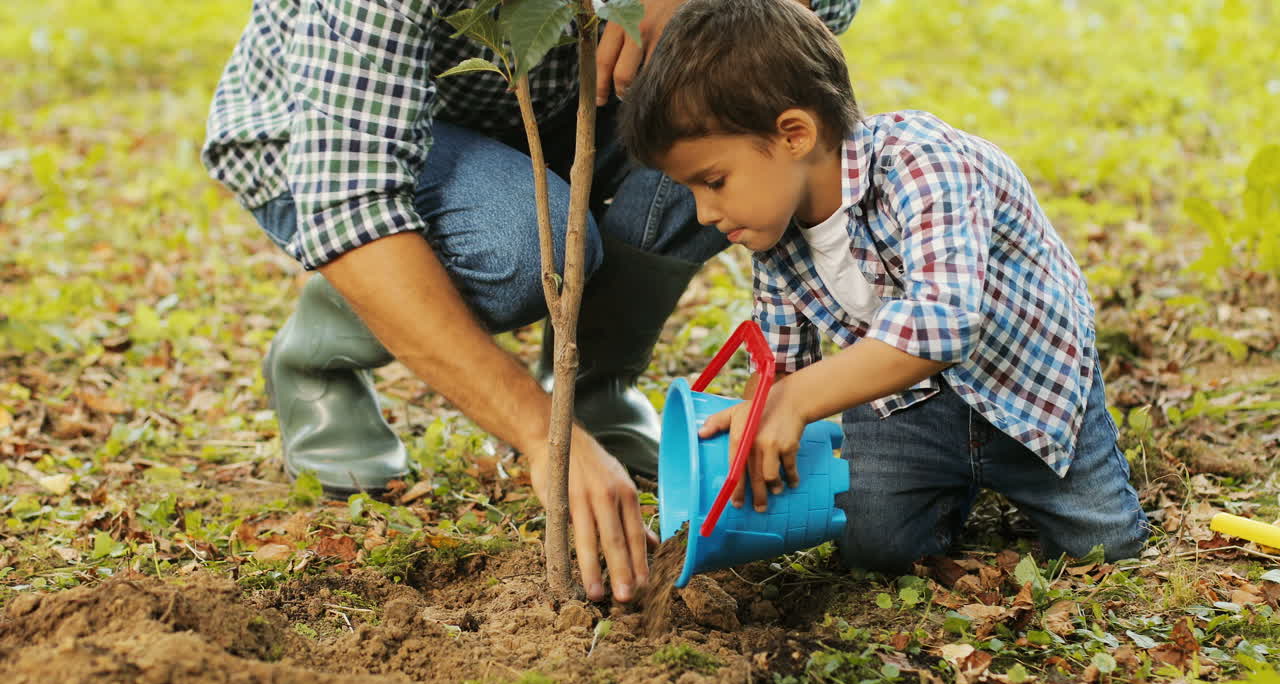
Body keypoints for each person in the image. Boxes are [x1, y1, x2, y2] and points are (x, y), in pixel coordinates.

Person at [200, 0, 861, 601]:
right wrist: (542, 435)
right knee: (518, 246)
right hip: (360, 142)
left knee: (728, 148)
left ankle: (593, 391)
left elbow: (824, 14)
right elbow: (351, 199)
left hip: (576, 113)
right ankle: (321, 352)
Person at [618, 0, 1150, 571]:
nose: (703, 213)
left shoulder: (923, 162)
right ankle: (949, 485)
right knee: (872, 547)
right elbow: (780, 365)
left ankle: (1022, 475)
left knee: (1102, 549)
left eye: (714, 181)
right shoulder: (773, 240)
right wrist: (756, 427)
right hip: (907, 404)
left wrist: (793, 402)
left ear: (794, 134)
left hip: (1027, 382)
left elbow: (942, 324)